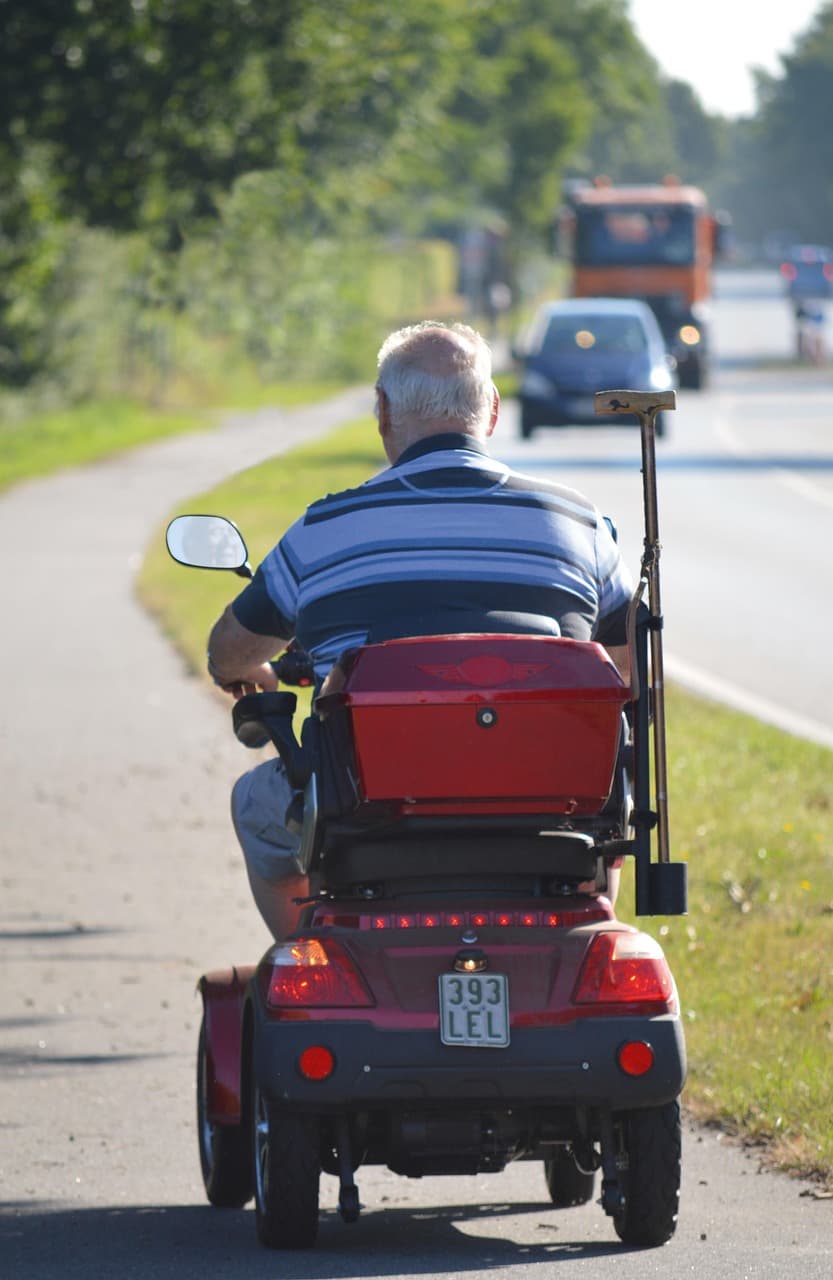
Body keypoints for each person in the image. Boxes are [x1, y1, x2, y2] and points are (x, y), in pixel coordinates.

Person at [206, 321, 633, 938]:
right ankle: (589, 932)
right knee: (611, 780)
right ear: (490, 410)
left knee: (255, 805)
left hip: (366, 820)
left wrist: (243, 671)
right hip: (553, 820)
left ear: (382, 413)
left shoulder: (325, 530)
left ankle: (315, 959)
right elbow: (628, 672)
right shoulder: (580, 524)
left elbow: (230, 648)